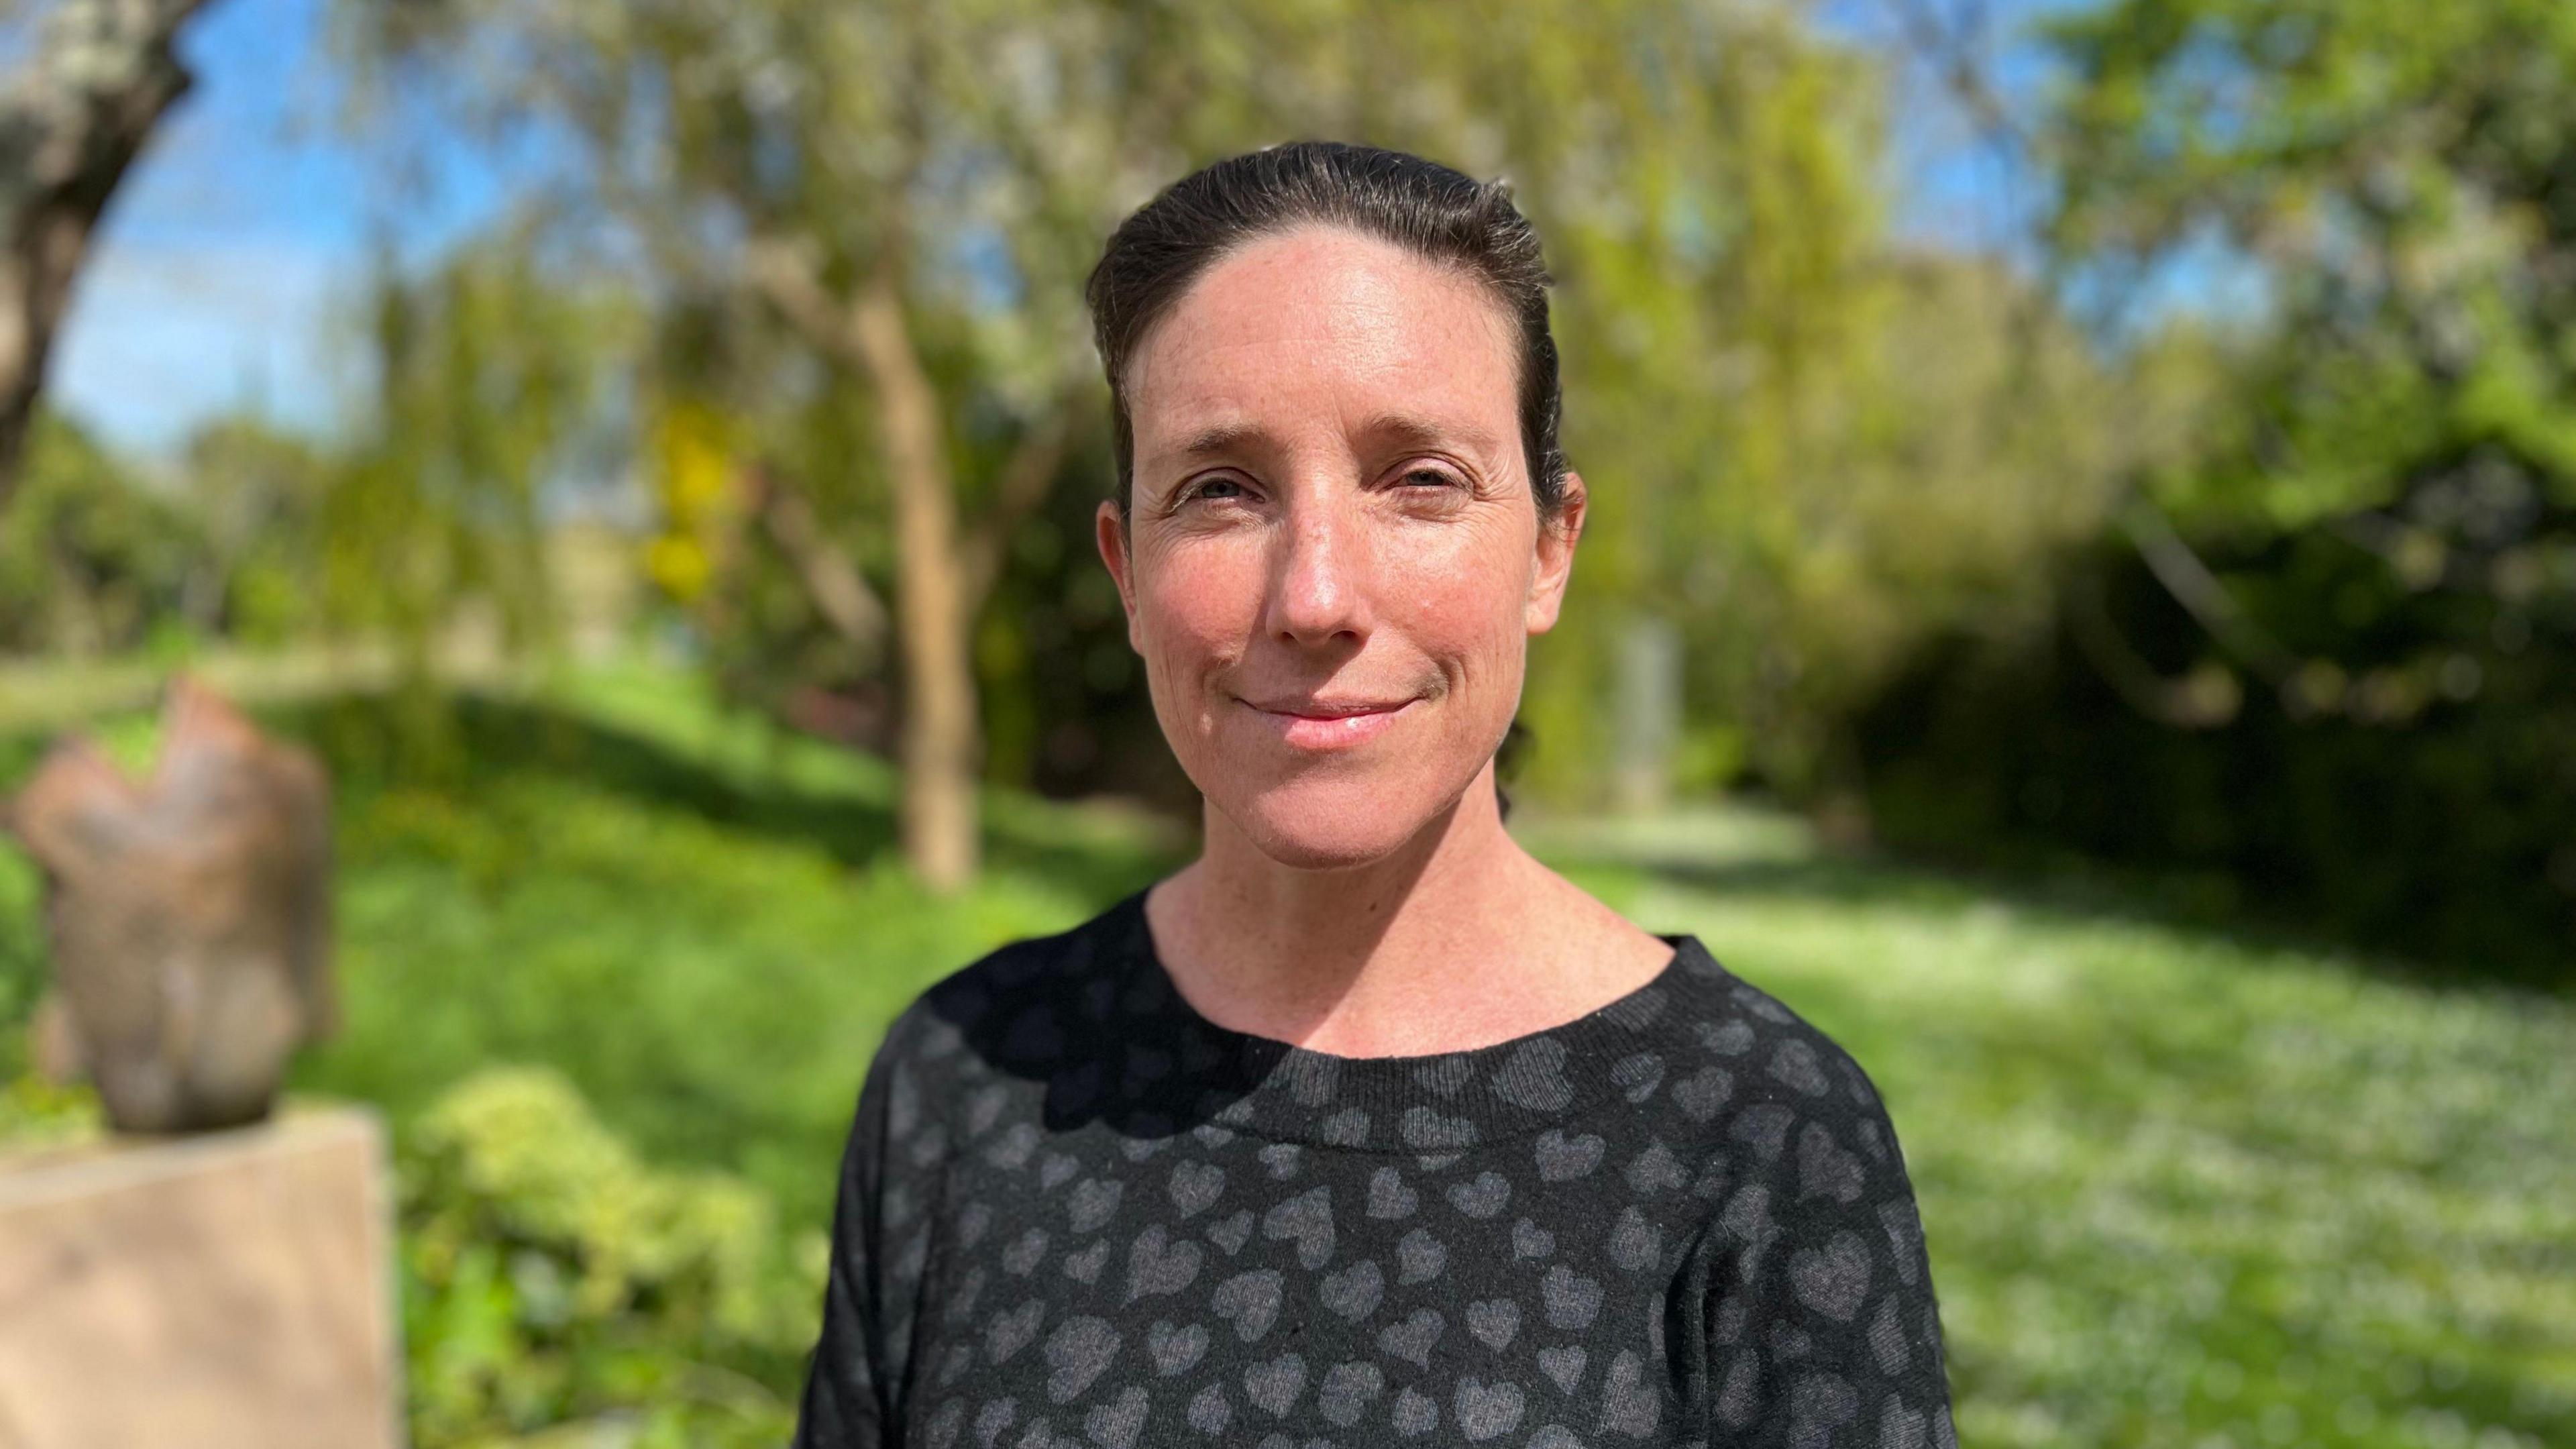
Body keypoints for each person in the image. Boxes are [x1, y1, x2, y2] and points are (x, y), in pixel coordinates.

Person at [792, 140, 1957, 1449]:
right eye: (1223, 491)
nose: (1317, 597)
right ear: (1128, 573)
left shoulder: (1764, 1147)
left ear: (1549, 550)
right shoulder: (961, 1080)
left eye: (1420, 481)